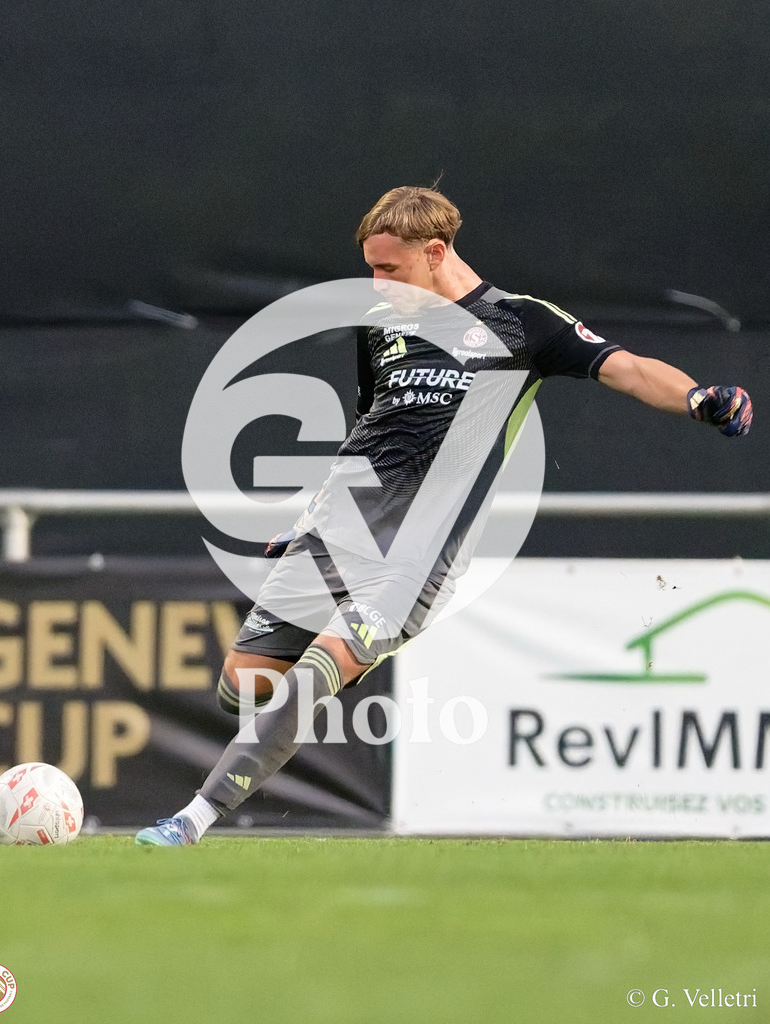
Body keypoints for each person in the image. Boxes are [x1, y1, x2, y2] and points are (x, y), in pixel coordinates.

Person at [136, 185, 753, 845]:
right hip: (341, 525)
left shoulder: (521, 322)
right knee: (241, 686)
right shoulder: (380, 325)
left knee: (320, 669)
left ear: (435, 252)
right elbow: (371, 427)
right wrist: (307, 518)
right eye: (371, 268)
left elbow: (625, 368)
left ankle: (191, 820)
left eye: (389, 269)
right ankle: (306, 693)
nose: (376, 283)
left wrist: (695, 397)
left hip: (421, 548)